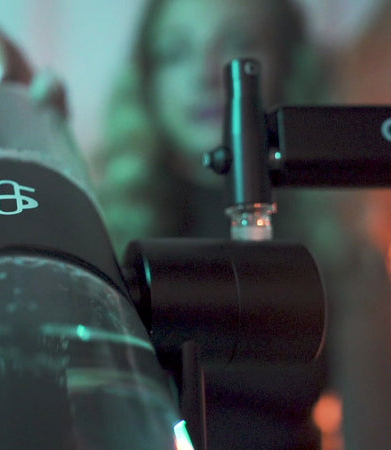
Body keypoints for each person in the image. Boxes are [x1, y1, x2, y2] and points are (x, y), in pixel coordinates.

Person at [93, 0, 388, 448]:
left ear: (287, 63)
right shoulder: (104, 232)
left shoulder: (340, 245)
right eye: (176, 52)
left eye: (237, 43)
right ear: (148, 81)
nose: (206, 74)